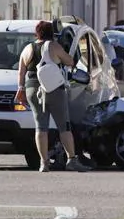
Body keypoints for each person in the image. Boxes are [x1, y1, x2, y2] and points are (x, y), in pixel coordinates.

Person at [15, 21, 92, 173]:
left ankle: (43, 163)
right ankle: (71, 159)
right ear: (51, 33)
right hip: (53, 89)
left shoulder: (27, 49)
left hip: (32, 88)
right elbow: (70, 61)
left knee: (40, 126)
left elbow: (21, 72)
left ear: (37, 33)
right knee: (64, 125)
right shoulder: (53, 46)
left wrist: (21, 89)